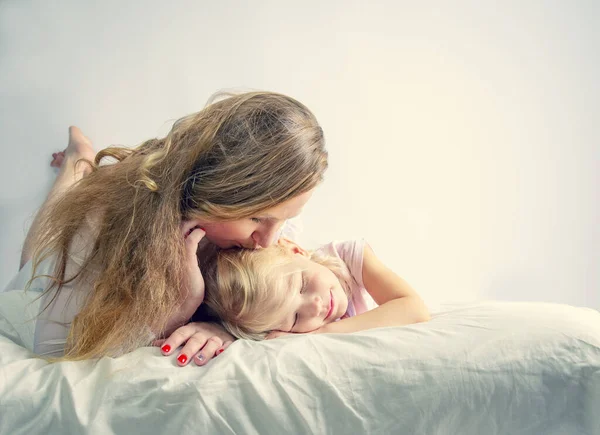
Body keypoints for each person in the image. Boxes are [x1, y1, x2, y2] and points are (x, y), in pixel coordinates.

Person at [12, 91, 328, 361]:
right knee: (32, 265)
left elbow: (278, 306)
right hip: (64, 275)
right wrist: (179, 309)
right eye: (257, 218)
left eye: (285, 219)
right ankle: (77, 160)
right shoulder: (102, 226)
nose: (269, 241)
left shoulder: (262, 231)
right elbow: (54, 352)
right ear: (213, 190)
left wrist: (225, 328)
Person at [155, 238, 431, 366]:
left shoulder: (350, 258)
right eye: (296, 319)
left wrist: (324, 333)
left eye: (303, 285)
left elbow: (413, 307)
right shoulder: (274, 326)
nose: (315, 306)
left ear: (295, 249)